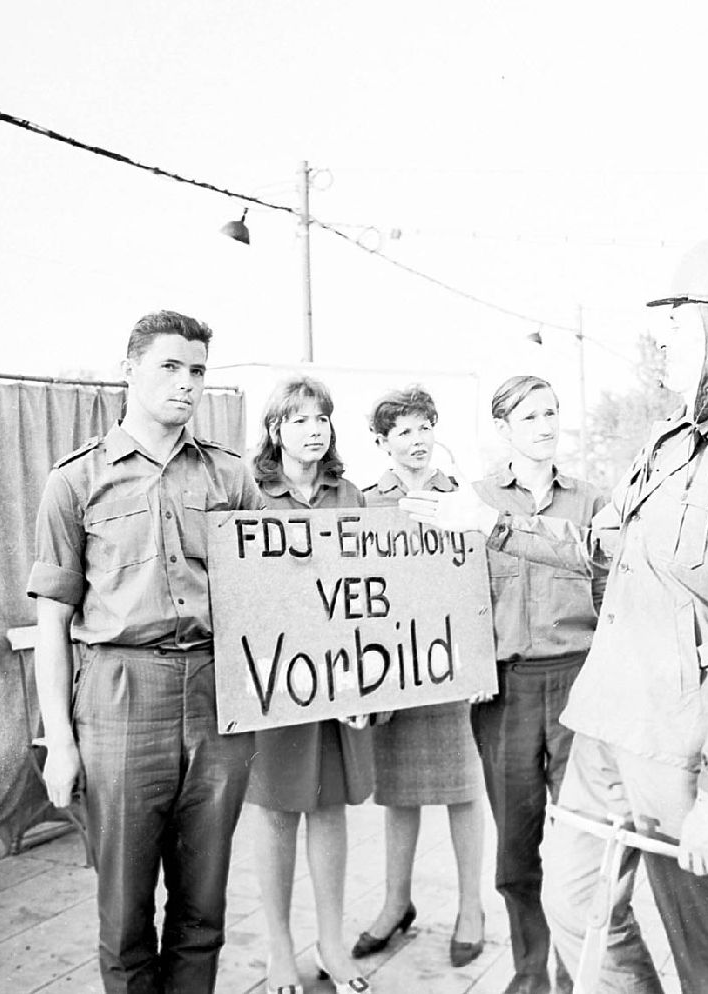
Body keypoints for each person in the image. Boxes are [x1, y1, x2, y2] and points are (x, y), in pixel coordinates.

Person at [400, 236, 708, 994]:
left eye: (676, 322)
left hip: (681, 747)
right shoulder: (663, 447)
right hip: (603, 726)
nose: (659, 339)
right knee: (572, 902)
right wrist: (489, 523)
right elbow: (601, 546)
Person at [27, 310, 264, 994]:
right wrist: (62, 744)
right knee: (125, 915)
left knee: (203, 908)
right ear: (128, 368)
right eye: (170, 366)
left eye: (197, 371)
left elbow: (274, 597)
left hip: (216, 698)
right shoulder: (74, 482)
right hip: (119, 695)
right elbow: (53, 623)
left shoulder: (229, 479)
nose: (186, 384)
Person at [471, 375, 609, 994]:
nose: (546, 426)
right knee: (517, 844)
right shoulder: (471, 502)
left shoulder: (591, 502)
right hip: (504, 691)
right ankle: (532, 973)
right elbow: (451, 598)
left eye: (552, 413)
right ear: (503, 430)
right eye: (530, 417)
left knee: (583, 840)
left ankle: (579, 971)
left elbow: (610, 592)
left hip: (577, 684)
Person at [243, 375, 375, 994]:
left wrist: (368, 688)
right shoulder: (250, 491)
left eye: (321, 418)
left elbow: (371, 594)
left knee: (328, 810)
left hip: (339, 682)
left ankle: (332, 946)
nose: (313, 429)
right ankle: (278, 951)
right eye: (298, 420)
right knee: (274, 814)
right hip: (273, 682)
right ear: (275, 430)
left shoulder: (348, 493)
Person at [352, 385, 486, 967]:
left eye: (424, 427)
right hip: (393, 668)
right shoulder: (364, 501)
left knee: (463, 792)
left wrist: (480, 659)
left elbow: (480, 582)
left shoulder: (463, 497)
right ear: (382, 443)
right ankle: (395, 903)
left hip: (451, 664)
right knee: (398, 794)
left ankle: (471, 908)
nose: (417, 440)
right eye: (403, 431)